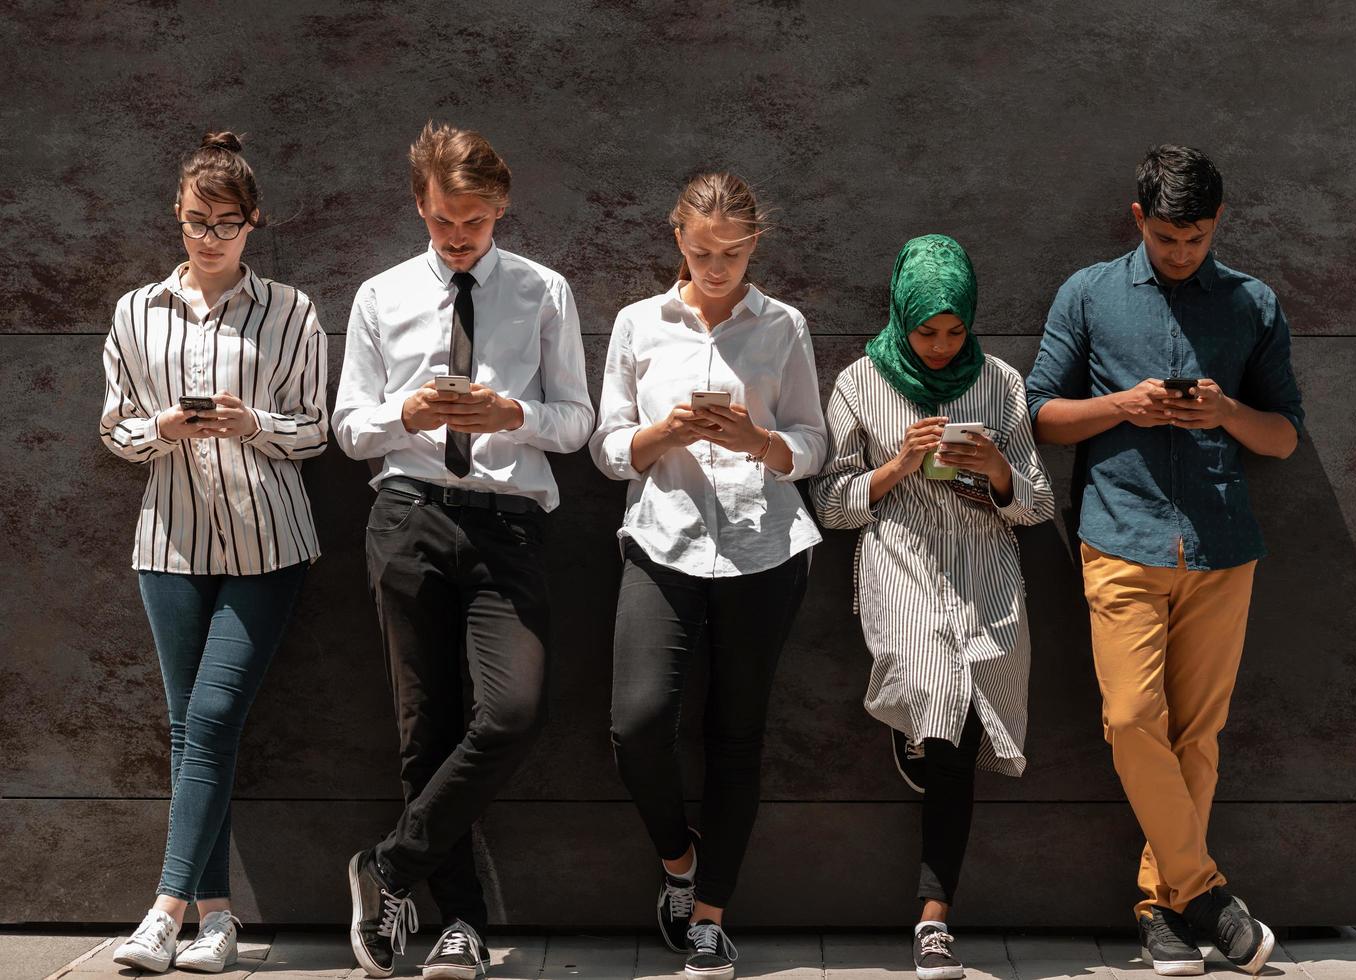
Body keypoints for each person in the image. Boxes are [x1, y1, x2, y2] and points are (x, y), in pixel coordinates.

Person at [1026, 145, 1304, 977]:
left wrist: (1225, 412)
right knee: (1131, 721)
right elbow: (1039, 413)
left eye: (1198, 237)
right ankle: (1210, 895)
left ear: (1218, 223)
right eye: (1169, 238)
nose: (1183, 253)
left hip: (1223, 546)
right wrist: (1124, 407)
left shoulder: (1253, 303)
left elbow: (1285, 436)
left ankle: (1163, 910)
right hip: (1119, 539)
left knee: (1199, 737)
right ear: (1138, 218)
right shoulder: (1088, 293)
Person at [332, 121, 593, 980]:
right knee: (425, 729)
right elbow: (349, 429)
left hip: (506, 523)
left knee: (511, 711)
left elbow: (578, 422)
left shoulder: (543, 292)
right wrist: (408, 414)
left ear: (502, 209)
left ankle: (389, 868)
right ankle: (462, 926)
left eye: (475, 222)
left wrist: (512, 417)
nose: (458, 238)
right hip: (408, 515)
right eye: (445, 220)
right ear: (421, 204)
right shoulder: (380, 295)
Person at [590, 172, 826, 980]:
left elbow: (812, 443)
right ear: (676, 239)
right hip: (663, 540)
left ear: (755, 244)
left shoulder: (783, 325)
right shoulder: (637, 324)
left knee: (737, 734)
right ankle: (679, 862)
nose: (716, 267)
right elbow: (608, 446)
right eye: (700, 251)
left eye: (731, 252)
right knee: (639, 724)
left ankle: (711, 918)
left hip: (765, 549)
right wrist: (668, 431)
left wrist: (754, 438)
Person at [102, 131, 327, 973]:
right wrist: (162, 426)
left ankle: (162, 911)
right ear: (177, 215)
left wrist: (252, 423)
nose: (208, 237)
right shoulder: (135, 311)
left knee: (211, 717)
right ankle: (220, 919)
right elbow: (115, 429)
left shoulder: (291, 310)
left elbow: (315, 431)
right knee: (191, 729)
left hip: (267, 543)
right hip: (169, 541)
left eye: (226, 223)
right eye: (196, 221)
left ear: (253, 223)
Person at [811, 234, 1053, 980]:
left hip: (986, 574)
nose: (943, 346)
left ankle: (933, 921)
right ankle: (933, 914)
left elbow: (1039, 503)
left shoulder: (1002, 384)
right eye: (927, 332)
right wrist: (899, 465)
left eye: (955, 330)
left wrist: (998, 470)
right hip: (903, 565)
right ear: (900, 316)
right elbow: (832, 504)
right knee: (939, 701)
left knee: (964, 730)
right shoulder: (858, 381)